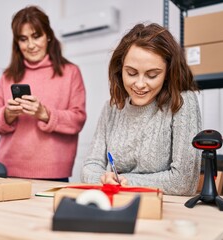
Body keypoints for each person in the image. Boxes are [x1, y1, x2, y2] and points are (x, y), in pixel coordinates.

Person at [81, 23, 202, 195]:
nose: (139, 84)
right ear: (120, 69)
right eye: (131, 73)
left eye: (152, 75)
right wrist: (103, 178)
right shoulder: (111, 108)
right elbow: (90, 167)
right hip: (121, 204)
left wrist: (125, 181)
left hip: (166, 209)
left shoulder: (182, 102)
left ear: (168, 73)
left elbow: (183, 182)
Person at [0, 6, 86, 182]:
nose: (30, 45)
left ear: (48, 35)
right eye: (23, 39)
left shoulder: (70, 72)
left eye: (36, 36)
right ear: (17, 43)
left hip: (54, 174)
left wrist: (44, 113)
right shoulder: (8, 77)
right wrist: (7, 114)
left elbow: (78, 120)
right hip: (9, 171)